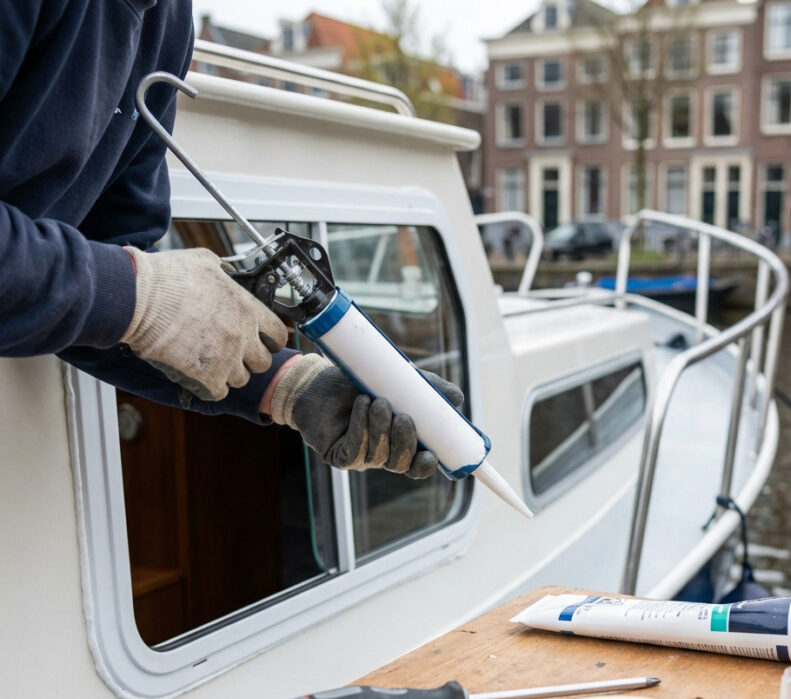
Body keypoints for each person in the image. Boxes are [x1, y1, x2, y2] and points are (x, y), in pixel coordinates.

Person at [0, 1, 459, 478]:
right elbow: (121, 291)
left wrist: (292, 386)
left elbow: (108, 278)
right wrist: (139, 295)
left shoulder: (167, 22)